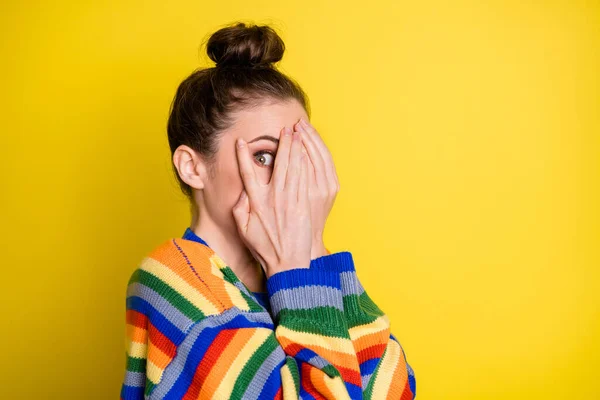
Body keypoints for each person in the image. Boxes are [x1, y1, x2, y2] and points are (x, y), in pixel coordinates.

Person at [119, 21, 416, 400]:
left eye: (299, 157)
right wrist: (295, 270)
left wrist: (310, 247)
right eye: (264, 155)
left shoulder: (292, 271)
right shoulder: (172, 280)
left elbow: (398, 390)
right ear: (193, 167)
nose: (288, 178)